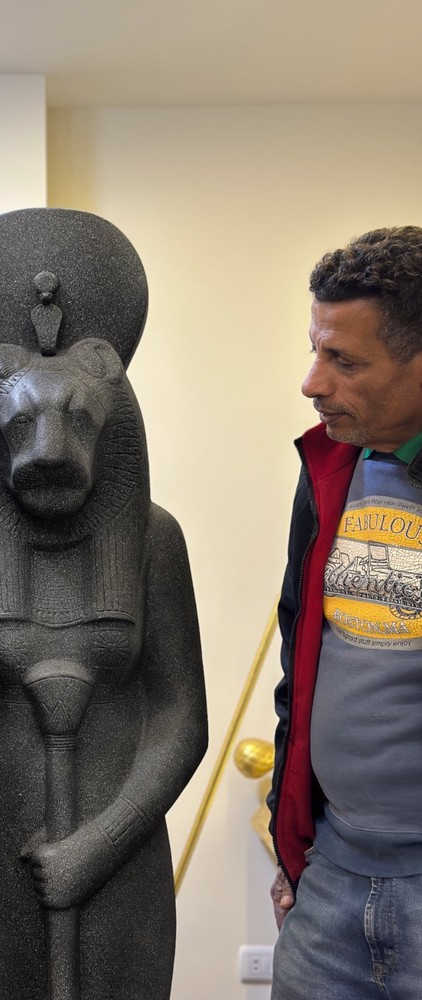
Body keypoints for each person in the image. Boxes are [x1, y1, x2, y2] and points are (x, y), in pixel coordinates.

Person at [269, 225, 422, 999]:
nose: (313, 383)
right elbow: (300, 666)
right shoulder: (329, 467)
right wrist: (289, 836)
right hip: (331, 878)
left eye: (345, 362)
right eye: (316, 351)